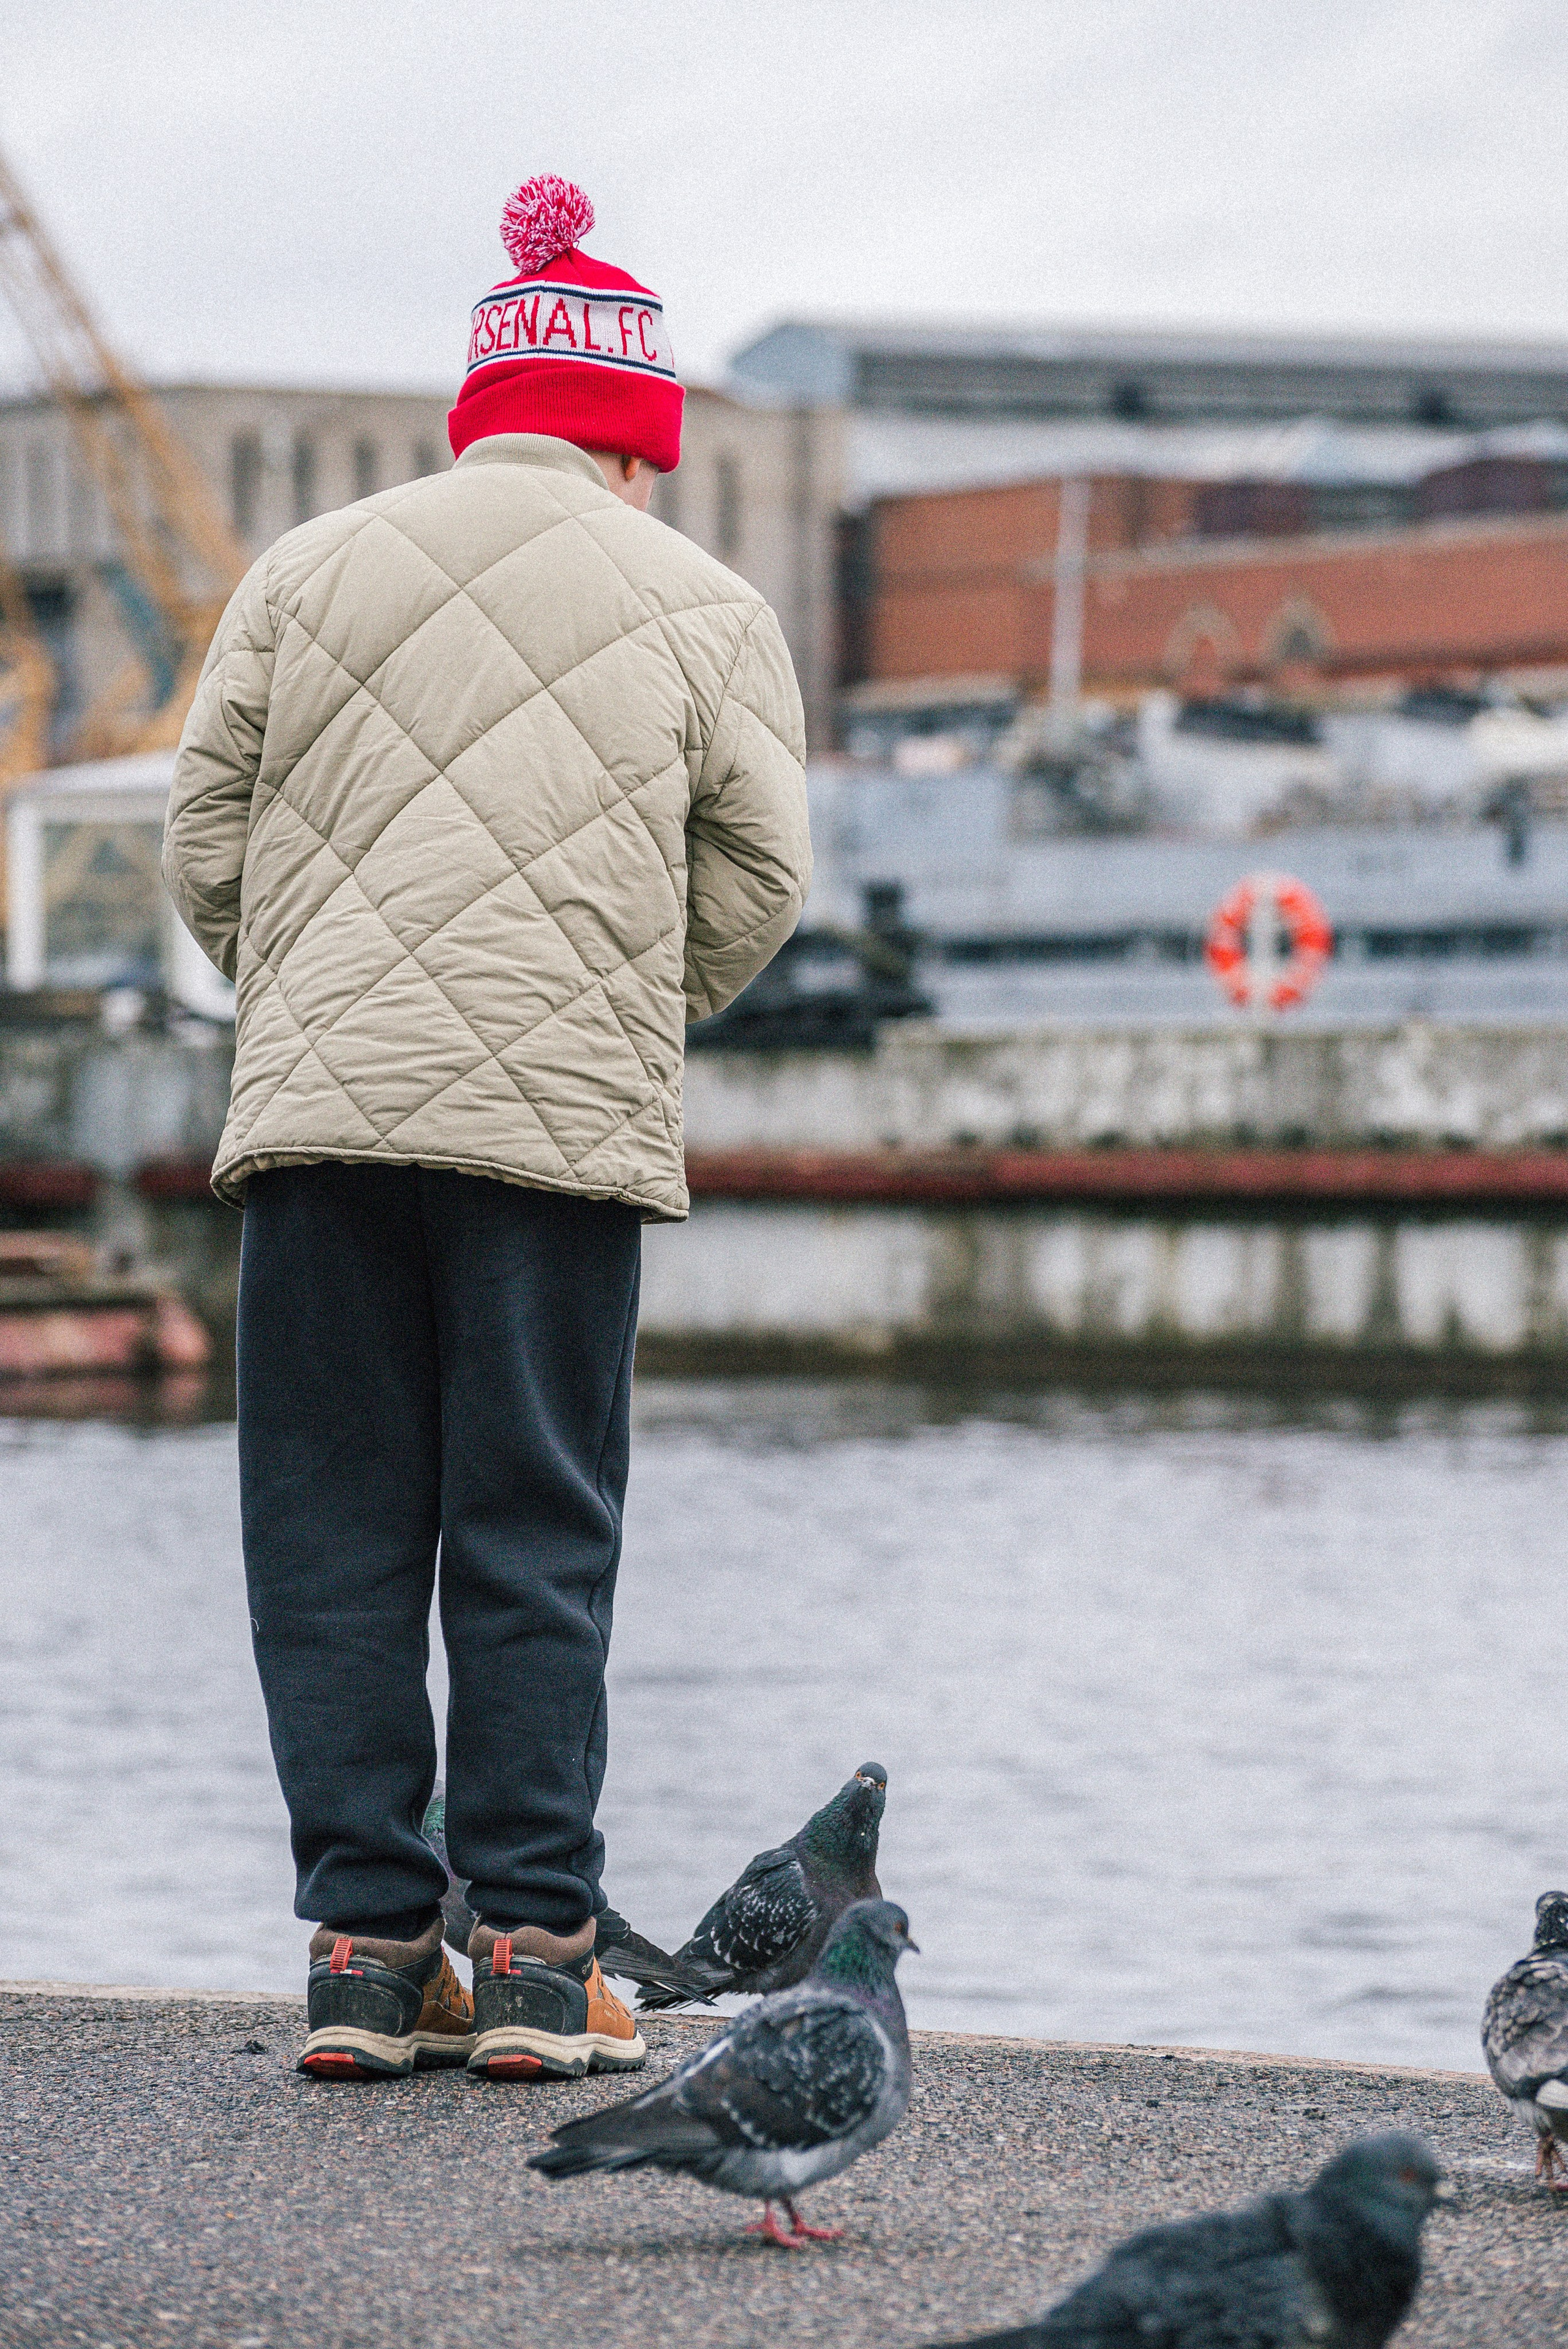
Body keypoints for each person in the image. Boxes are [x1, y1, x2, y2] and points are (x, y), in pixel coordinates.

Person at [162, 173, 811, 2082]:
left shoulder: (304, 570)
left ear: (484, 410)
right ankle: (535, 1956)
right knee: (532, 1530)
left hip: (320, 1126)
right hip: (555, 1144)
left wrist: (311, 1001)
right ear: (634, 441)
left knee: (331, 1532)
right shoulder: (705, 605)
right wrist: (610, 1013)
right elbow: (760, 873)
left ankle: (369, 1958)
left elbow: (203, 842)